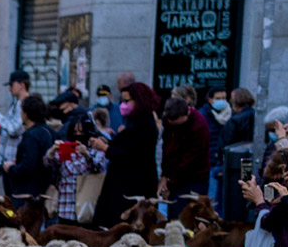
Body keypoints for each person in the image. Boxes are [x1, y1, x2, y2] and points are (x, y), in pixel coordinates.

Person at [104, 82, 160, 220]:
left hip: (135, 187)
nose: (123, 105)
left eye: (126, 101)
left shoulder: (143, 124)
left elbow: (132, 155)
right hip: (128, 185)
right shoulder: (135, 121)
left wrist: (106, 148)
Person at [45, 119, 110, 222]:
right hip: (65, 206)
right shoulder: (66, 150)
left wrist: (86, 155)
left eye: (81, 132)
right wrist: (52, 152)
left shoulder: (96, 151)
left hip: (87, 206)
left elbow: (99, 169)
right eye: (75, 132)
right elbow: (49, 164)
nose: (78, 135)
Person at [158, 97, 210, 211]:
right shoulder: (168, 119)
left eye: (176, 123)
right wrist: (164, 175)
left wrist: (169, 184)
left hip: (194, 178)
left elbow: (189, 162)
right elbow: (166, 148)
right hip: (175, 175)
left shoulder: (199, 127)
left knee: (187, 214)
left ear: (185, 115)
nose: (172, 126)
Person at [4, 95, 55, 206]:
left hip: (27, 194)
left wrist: (11, 168)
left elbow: (28, 166)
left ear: (26, 114)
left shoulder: (31, 136)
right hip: (45, 190)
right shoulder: (50, 132)